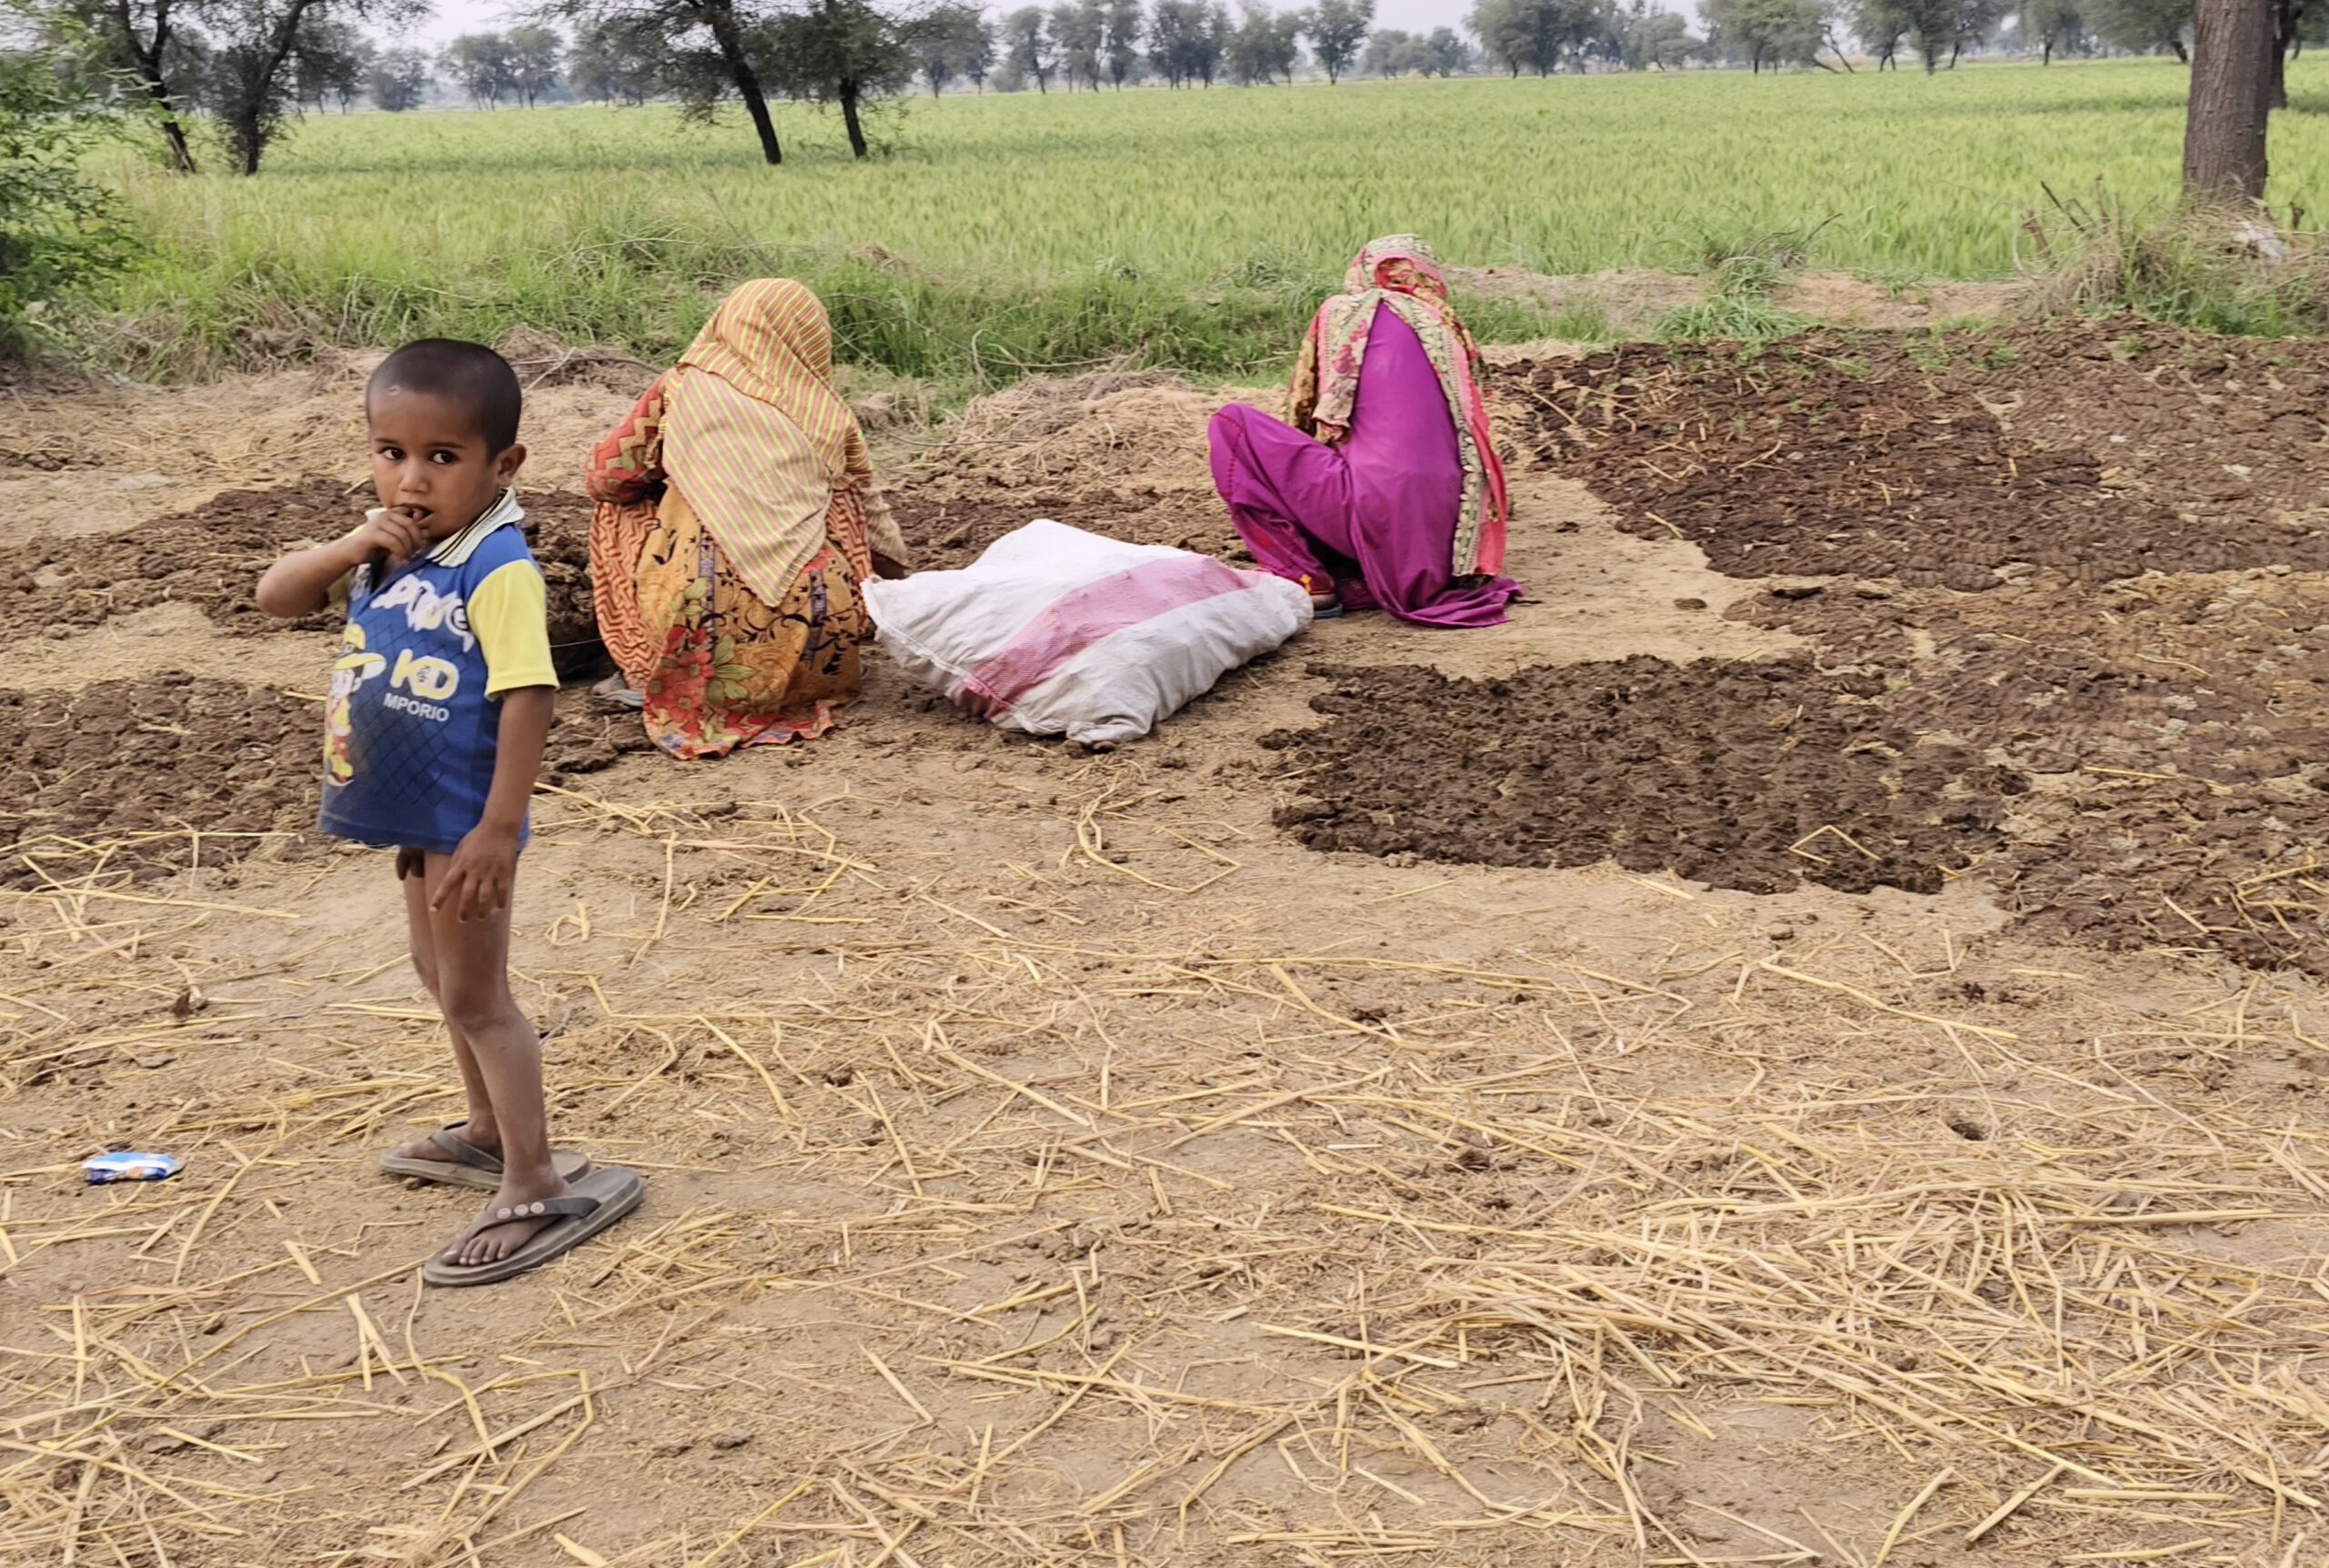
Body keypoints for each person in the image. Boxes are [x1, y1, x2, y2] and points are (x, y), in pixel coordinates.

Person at [257, 339, 641, 1288]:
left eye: (442, 456)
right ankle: (480, 1131)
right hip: (415, 814)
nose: (411, 476)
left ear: (502, 465)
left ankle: (533, 1176)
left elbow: (528, 695)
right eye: (391, 451)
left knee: (478, 995)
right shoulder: (387, 544)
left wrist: (498, 828)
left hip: (466, 821)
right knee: (437, 975)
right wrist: (353, 544)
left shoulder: (496, 567)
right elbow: (275, 598)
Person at [586, 279, 910, 759]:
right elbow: (878, 522)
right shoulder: (829, 411)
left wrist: (678, 476)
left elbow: (606, 478)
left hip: (702, 617)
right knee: (841, 498)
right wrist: (900, 593)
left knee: (618, 510)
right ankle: (815, 673)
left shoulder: (682, 385)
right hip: (822, 635)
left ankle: (644, 669)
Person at [1208, 236, 1519, 628]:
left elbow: (1311, 414)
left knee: (1233, 426)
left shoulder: (1346, 311)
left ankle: (1308, 580)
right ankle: (1370, 567)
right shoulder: (1446, 324)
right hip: (1450, 539)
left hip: (1380, 512)